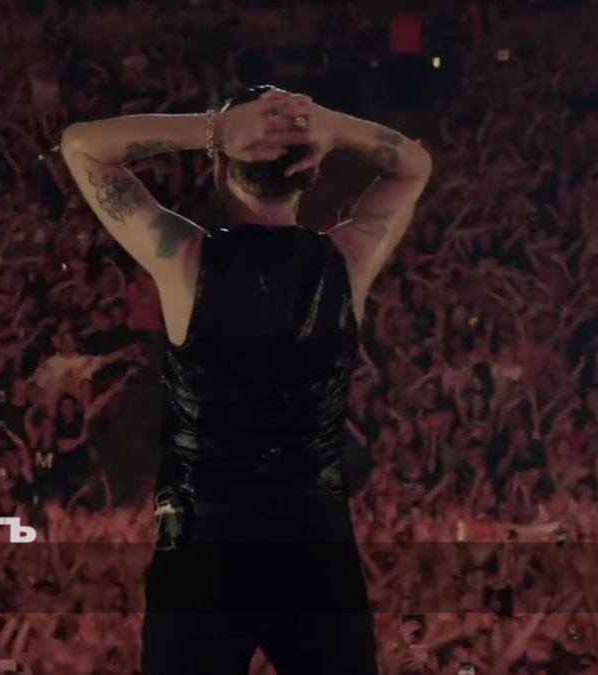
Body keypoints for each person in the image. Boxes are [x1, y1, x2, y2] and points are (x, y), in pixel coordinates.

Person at [60, 84, 432, 673]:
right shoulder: (348, 262)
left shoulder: (186, 262)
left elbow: (81, 146)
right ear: (311, 170)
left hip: (205, 543)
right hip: (313, 539)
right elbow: (414, 166)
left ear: (219, 167)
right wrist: (331, 124)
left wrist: (213, 128)